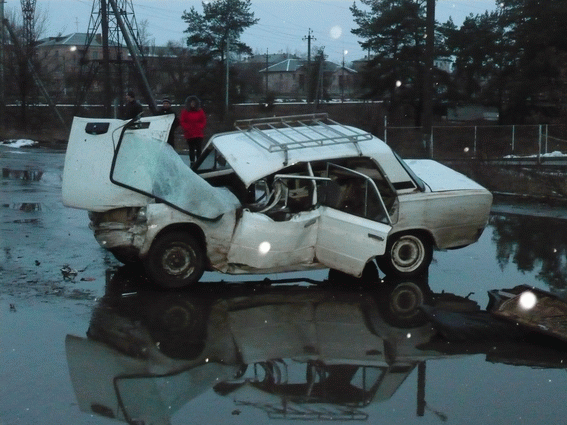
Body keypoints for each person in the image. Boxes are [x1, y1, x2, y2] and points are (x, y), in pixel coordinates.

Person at [180, 95, 206, 163]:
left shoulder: (200, 111)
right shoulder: (185, 111)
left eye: (194, 103)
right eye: (191, 103)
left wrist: (200, 127)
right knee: (191, 148)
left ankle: (199, 162)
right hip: (189, 133)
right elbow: (182, 121)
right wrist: (187, 127)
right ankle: (192, 162)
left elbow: (203, 120)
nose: (193, 104)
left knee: (198, 148)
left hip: (198, 133)